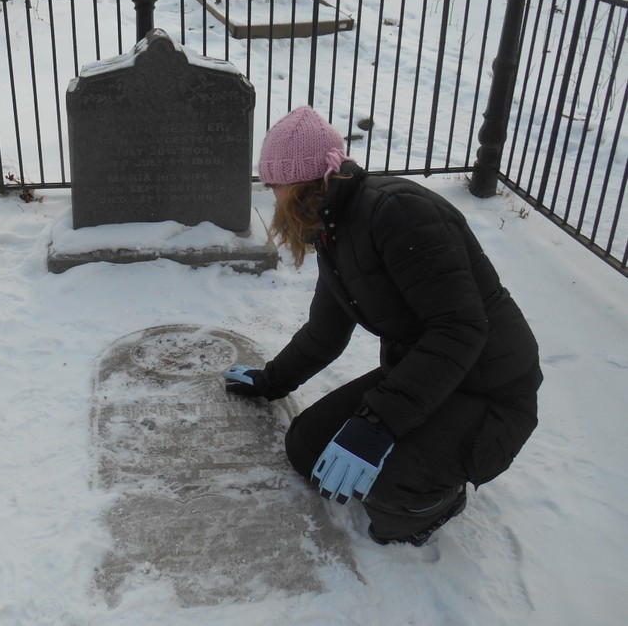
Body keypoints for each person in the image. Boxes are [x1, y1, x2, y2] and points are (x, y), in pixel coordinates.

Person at [225, 106, 542, 546]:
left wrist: (378, 423)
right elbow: (325, 332)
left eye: (274, 185)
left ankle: (442, 497)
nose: (271, 197)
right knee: (307, 447)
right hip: (428, 375)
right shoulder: (333, 227)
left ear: (300, 185)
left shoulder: (398, 213)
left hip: (492, 390)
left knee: (390, 491)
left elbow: (460, 328)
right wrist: (270, 381)